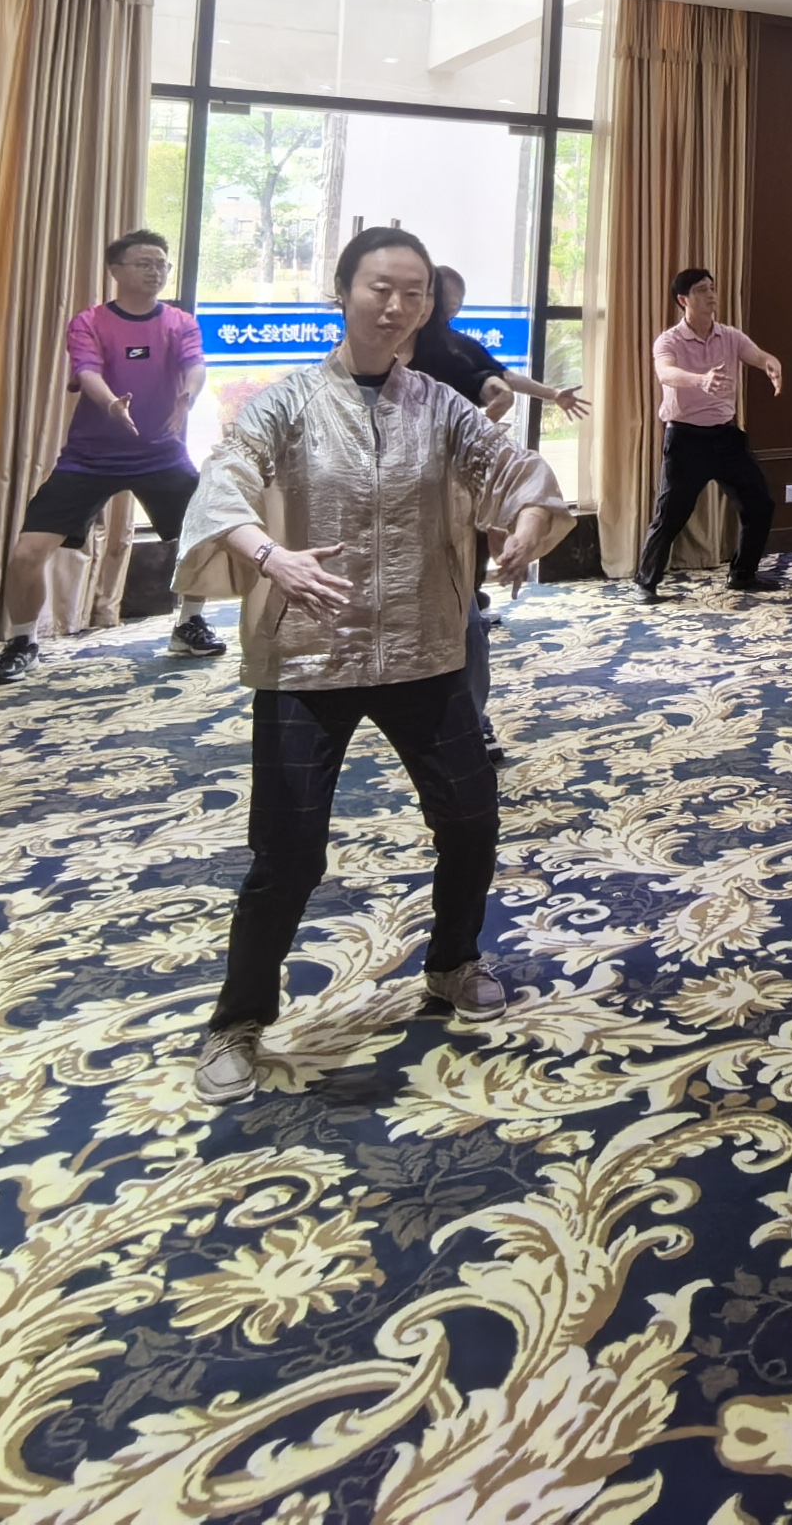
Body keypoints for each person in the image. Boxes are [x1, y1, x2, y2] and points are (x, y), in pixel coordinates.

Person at [176, 228, 559, 1102]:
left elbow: (513, 469)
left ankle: (453, 961)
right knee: (288, 854)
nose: (396, 306)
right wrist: (271, 556)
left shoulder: (441, 406)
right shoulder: (288, 403)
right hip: (309, 655)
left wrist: (531, 520)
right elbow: (224, 481)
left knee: (471, 822)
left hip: (425, 648)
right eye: (380, 288)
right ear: (343, 292)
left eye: (414, 293)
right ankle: (238, 1019)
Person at [0, 229, 219, 684]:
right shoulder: (89, 322)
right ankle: (22, 642)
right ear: (116, 271)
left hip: (160, 454)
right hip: (90, 457)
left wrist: (187, 397)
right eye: (144, 263)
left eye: (162, 265)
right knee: (27, 552)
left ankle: (189, 624)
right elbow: (87, 371)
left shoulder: (180, 322)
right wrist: (111, 404)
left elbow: (195, 364)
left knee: (205, 533)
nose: (155, 272)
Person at [406, 262, 584, 764]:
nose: (404, 308)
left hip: (455, 497)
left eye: (422, 296)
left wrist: (520, 532)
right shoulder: (341, 381)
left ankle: (472, 722)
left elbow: (500, 387)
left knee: (464, 625)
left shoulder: (452, 353)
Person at [640, 269, 785, 601]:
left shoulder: (729, 336)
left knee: (760, 504)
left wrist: (770, 363)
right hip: (686, 440)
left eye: (712, 288)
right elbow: (665, 372)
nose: (711, 295)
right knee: (671, 514)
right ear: (683, 300)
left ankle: (743, 575)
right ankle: (645, 582)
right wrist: (700, 380)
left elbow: (757, 355)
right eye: (702, 290)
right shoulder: (669, 341)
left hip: (726, 437)